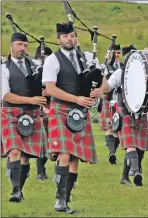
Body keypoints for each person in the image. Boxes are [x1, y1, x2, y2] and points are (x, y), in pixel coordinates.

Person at [42, 21, 101, 214]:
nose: (70, 39)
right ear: (58, 39)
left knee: (75, 157)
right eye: (65, 36)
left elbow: (101, 81)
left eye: (72, 35)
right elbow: (50, 89)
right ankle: (59, 199)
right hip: (61, 109)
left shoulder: (86, 57)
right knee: (65, 154)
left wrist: (97, 91)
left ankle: (66, 198)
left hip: (81, 111)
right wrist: (76, 98)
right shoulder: (53, 60)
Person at [1, 32, 47, 202]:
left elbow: (44, 87)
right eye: (19, 45)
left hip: (32, 114)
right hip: (11, 114)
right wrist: (31, 99)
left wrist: (44, 92)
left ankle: (19, 189)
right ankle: (15, 190)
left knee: (26, 155)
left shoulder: (35, 66)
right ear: (11, 46)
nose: (23, 48)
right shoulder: (3, 68)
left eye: (25, 45)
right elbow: (5, 95)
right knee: (14, 150)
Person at [101, 45, 148, 186]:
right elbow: (106, 89)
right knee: (130, 145)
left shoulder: (146, 72)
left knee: (141, 147)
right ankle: (136, 172)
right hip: (124, 112)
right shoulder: (120, 72)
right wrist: (102, 75)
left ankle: (124, 177)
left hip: (141, 113)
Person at [100, 44, 122, 164]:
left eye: (118, 53)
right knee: (109, 126)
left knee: (117, 128)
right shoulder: (104, 67)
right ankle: (111, 152)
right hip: (108, 99)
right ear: (108, 53)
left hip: (119, 100)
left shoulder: (123, 66)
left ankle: (112, 151)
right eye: (114, 52)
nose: (116, 55)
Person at [34, 44, 53, 181]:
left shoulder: (54, 70)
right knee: (41, 142)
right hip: (38, 108)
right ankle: (40, 172)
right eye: (40, 57)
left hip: (53, 107)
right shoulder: (34, 70)